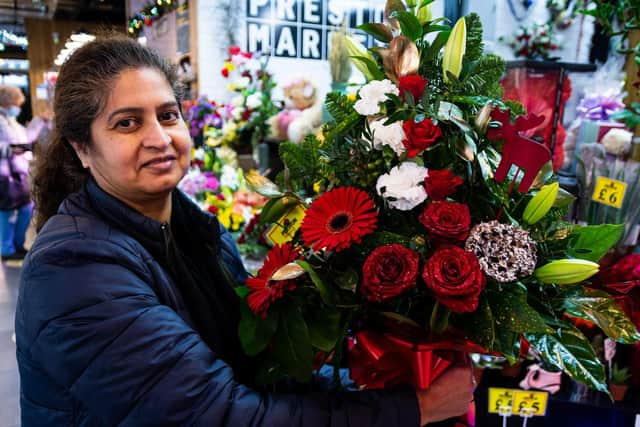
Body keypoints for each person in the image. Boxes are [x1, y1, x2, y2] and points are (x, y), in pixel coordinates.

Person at [15, 36, 474, 426]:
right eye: (127, 123)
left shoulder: (195, 232)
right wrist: (412, 408)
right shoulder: (75, 269)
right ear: (82, 148)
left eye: (168, 115)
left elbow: (257, 371)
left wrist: (378, 371)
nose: (159, 138)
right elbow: (219, 414)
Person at [0, 85, 51, 259]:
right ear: (7, 101)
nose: (18, 107)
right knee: (7, 211)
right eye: (15, 103)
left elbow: (27, 137)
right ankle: (6, 249)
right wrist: (9, 149)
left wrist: (40, 121)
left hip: (18, 173)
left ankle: (18, 244)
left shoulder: (11, 122)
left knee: (26, 208)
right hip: (4, 174)